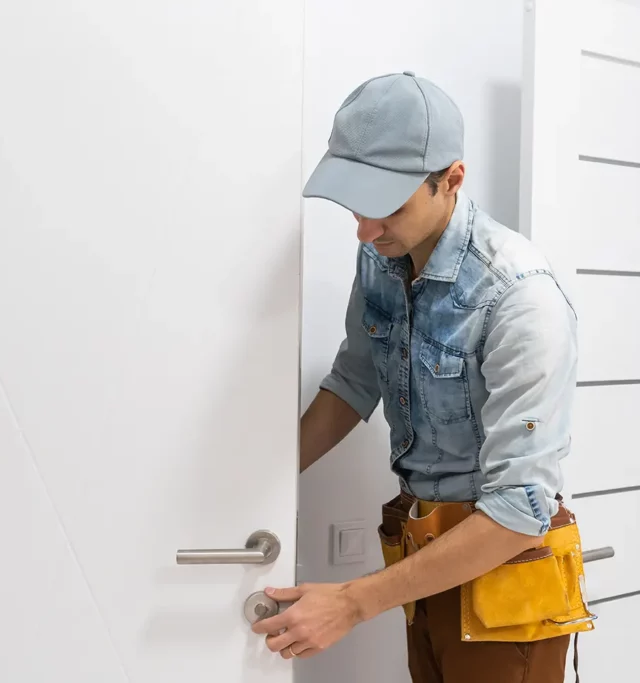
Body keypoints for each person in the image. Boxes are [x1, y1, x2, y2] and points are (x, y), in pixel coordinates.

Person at [251, 71, 587, 683]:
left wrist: (351, 603)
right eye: (356, 207)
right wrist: (256, 485)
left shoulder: (520, 300)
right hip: (422, 552)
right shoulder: (381, 256)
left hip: (503, 570)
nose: (364, 230)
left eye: (387, 209)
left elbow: (520, 508)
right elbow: (354, 379)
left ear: (452, 179)